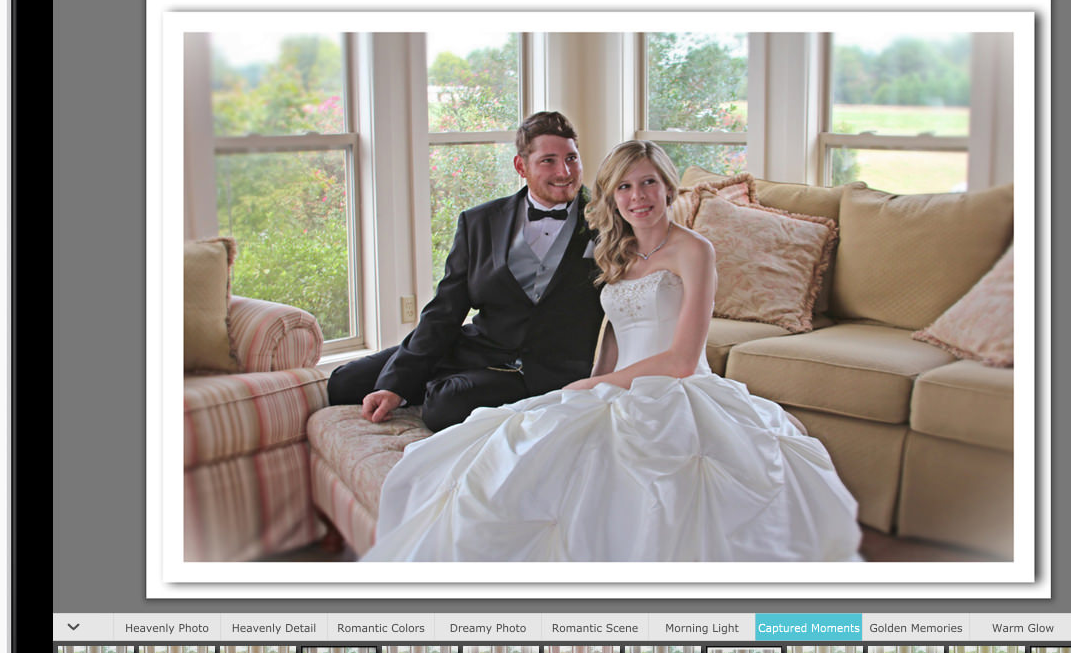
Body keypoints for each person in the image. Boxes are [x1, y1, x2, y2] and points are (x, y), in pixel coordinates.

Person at [365, 140, 861, 564]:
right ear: (612, 197)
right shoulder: (616, 251)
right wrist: (588, 387)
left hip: (677, 389)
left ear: (668, 187)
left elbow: (682, 360)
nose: (637, 197)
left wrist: (596, 383)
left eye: (648, 183)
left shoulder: (694, 250)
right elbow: (617, 331)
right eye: (624, 187)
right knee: (511, 452)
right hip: (616, 385)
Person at [327, 112, 605, 433]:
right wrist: (397, 383)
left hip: (544, 369)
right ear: (521, 166)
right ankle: (433, 379)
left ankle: (445, 385)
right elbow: (445, 310)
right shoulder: (480, 222)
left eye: (571, 158)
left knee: (443, 406)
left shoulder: (606, 222)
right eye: (548, 161)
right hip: (477, 349)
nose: (564, 172)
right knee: (344, 383)